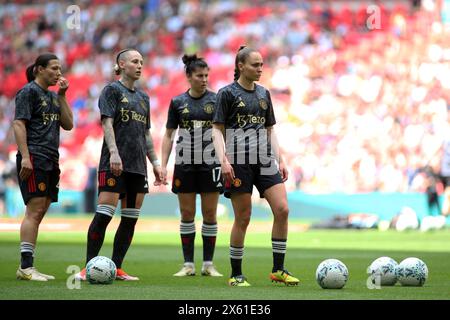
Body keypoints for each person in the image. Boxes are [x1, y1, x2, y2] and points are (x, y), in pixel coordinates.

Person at [212, 46, 299, 287]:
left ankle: (278, 270)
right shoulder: (227, 94)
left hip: (264, 160)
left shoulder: (264, 94)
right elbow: (217, 130)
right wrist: (224, 160)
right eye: (255, 65)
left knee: (282, 209)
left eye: (261, 64)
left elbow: (270, 129)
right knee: (243, 217)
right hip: (238, 161)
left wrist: (279, 158)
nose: (260, 69)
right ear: (241, 66)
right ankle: (236, 274)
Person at [75, 49, 162, 281]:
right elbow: (107, 123)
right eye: (135, 61)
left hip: (138, 167)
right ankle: (88, 267)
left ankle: (117, 267)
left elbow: (146, 134)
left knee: (130, 219)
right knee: (104, 215)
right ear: (122, 64)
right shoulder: (111, 90)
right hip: (114, 164)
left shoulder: (144, 98)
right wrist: (114, 153)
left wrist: (155, 162)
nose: (140, 65)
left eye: (142, 61)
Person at [161, 54, 223, 277]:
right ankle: (188, 265)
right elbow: (168, 135)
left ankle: (208, 264)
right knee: (187, 213)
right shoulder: (178, 102)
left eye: (206, 75)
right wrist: (163, 165)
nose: (204, 79)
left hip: (210, 163)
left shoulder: (216, 101)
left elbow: (223, 133)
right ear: (188, 76)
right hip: (185, 163)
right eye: (199, 75)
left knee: (210, 214)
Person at [13, 53, 74, 281]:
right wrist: (26, 157)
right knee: (35, 210)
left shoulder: (52, 97)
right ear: (39, 69)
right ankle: (25, 267)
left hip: (51, 158)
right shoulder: (28, 92)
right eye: (54, 68)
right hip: (35, 157)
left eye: (60, 68)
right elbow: (19, 123)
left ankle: (28, 266)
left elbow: (68, 124)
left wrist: (63, 95)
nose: (59, 72)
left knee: (41, 210)